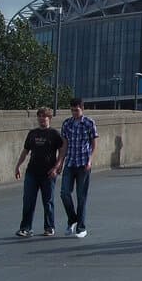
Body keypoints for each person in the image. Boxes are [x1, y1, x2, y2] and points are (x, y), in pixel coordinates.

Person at [14, 107, 64, 237]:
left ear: (49, 118)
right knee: (28, 200)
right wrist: (18, 165)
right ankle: (26, 228)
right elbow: (25, 151)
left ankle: (49, 227)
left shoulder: (54, 134)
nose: (42, 119)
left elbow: (62, 151)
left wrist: (57, 167)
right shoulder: (32, 133)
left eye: (44, 117)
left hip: (48, 173)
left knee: (48, 201)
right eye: (40, 116)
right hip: (32, 172)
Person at [57, 98, 99, 238]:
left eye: (77, 110)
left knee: (81, 196)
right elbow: (64, 145)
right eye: (72, 110)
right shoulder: (67, 124)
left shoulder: (89, 123)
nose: (74, 113)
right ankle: (72, 218)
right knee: (64, 193)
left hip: (83, 163)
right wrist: (60, 162)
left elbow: (94, 144)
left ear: (82, 109)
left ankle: (81, 227)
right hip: (70, 162)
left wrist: (90, 161)